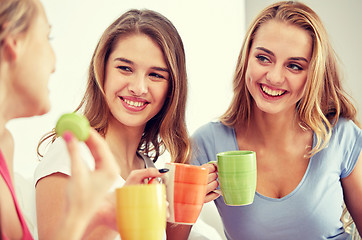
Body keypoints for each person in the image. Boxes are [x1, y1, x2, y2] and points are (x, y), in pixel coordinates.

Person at [190, 1, 362, 239]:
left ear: (313, 74)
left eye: (294, 66)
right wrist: (188, 204)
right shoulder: (206, 143)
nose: (274, 77)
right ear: (246, 57)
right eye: (263, 58)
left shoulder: (341, 136)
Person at [35, 8, 191, 240]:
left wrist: (188, 200)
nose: (138, 87)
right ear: (102, 70)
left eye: (156, 75)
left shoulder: (148, 169)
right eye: (125, 68)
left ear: (172, 89)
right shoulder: (71, 156)